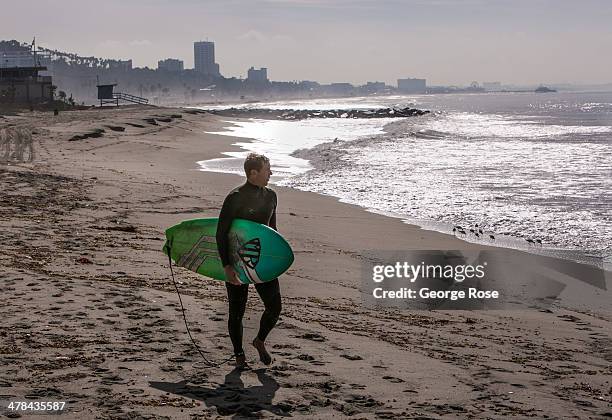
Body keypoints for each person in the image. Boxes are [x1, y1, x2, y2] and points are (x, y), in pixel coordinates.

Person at [216, 153, 282, 368]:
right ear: (253, 173)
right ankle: (239, 355)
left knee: (275, 306)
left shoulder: (271, 196)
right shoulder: (235, 197)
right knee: (237, 311)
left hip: (262, 260)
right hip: (237, 260)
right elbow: (221, 233)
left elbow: (272, 232)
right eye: (267, 169)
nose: (271, 173)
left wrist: (276, 261)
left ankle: (259, 340)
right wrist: (227, 266)